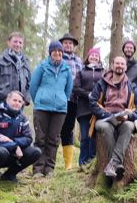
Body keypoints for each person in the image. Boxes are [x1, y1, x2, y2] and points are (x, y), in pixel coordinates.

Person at [90, 55, 137, 179]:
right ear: (112, 65)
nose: (119, 66)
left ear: (125, 67)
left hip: (123, 119)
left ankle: (112, 164)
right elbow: (92, 102)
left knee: (129, 126)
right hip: (104, 118)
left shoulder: (132, 86)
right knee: (106, 127)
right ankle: (116, 164)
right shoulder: (102, 83)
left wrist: (128, 116)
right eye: (117, 63)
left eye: (122, 64)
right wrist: (107, 115)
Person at [30, 40, 73, 177]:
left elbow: (68, 90)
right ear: (50, 53)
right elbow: (33, 87)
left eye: (60, 52)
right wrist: (40, 99)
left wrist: (61, 100)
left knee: (53, 139)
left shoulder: (67, 70)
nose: (58, 53)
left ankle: (49, 169)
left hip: (59, 110)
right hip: (42, 107)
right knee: (40, 138)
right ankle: (38, 169)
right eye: (55, 51)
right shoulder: (42, 67)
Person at [0, 90, 41, 183]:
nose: (17, 103)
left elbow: (28, 138)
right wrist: (14, 146)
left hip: (15, 153)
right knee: (2, 152)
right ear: (7, 100)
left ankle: (9, 174)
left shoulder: (23, 118)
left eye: (20, 102)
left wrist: (12, 141)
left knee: (35, 152)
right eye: (14, 100)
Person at [73, 48, 104, 166]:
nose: (94, 57)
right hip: (83, 108)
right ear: (88, 57)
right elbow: (75, 88)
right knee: (85, 136)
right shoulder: (81, 72)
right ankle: (82, 162)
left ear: (99, 58)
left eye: (97, 56)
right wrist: (88, 94)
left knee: (95, 137)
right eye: (92, 55)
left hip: (98, 108)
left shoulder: (103, 72)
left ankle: (92, 162)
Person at [0, 31, 32, 111]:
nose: (18, 45)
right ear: (9, 43)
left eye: (20, 43)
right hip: (2, 104)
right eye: (15, 42)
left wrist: (26, 99)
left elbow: (30, 83)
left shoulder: (26, 62)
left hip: (19, 105)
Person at [58, 33, 84, 170]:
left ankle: (68, 164)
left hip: (74, 100)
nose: (68, 45)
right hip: (59, 99)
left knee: (68, 129)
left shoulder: (79, 61)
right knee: (55, 128)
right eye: (65, 43)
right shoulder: (58, 58)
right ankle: (49, 160)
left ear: (74, 46)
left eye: (70, 43)